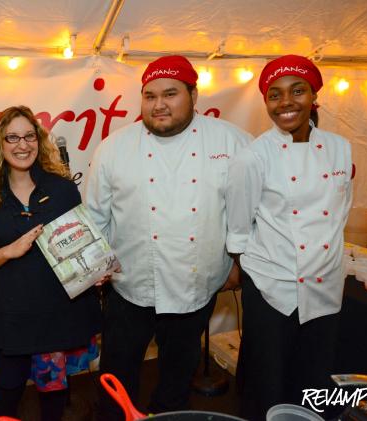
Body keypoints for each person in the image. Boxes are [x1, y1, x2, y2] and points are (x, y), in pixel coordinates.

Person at [84, 55, 252, 419]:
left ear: (194, 94)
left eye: (171, 94)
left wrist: (239, 265)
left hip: (196, 287)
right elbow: (95, 217)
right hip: (129, 287)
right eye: (150, 95)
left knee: (177, 377)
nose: (159, 104)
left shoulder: (233, 142)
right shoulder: (114, 148)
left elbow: (249, 212)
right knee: (116, 376)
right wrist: (93, 270)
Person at [225, 55, 353, 420]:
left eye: (297, 91)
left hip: (325, 282)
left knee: (314, 377)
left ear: (314, 96)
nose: (286, 103)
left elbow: (341, 209)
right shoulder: (252, 157)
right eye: (275, 95)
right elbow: (238, 227)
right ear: (266, 102)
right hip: (272, 285)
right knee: (269, 381)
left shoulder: (340, 147)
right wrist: (246, 269)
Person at [0, 105, 102, 421]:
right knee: (8, 394)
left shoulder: (63, 189)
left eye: (29, 136)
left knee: (53, 397)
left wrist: (95, 272)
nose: (22, 145)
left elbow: (81, 247)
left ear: (38, 141)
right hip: (12, 319)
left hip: (56, 315)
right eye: (12, 137)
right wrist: (8, 251)